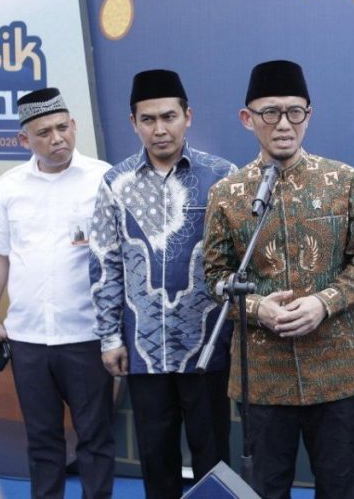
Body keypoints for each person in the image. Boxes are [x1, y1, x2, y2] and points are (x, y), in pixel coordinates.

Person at [203, 59, 354, 499]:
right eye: (270, 112)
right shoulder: (227, 194)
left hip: (337, 370)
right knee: (266, 488)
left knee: (339, 487)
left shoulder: (343, 181)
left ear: (309, 115)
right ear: (247, 118)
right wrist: (256, 308)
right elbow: (214, 276)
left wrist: (324, 302)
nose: (283, 124)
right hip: (263, 376)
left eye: (294, 112)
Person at [89, 70, 235, 499]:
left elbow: (239, 262)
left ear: (188, 116)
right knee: (156, 460)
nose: (159, 129)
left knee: (214, 458)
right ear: (133, 123)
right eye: (148, 119)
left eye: (168, 117)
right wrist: (110, 338)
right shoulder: (115, 183)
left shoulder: (221, 177)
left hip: (207, 348)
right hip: (144, 349)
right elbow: (105, 262)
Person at [0, 87, 115, 499]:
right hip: (29, 337)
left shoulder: (104, 178)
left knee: (95, 439)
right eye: (44, 133)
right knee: (41, 441)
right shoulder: (10, 185)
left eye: (62, 128)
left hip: (87, 335)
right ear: (25, 140)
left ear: (74, 126)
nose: (57, 139)